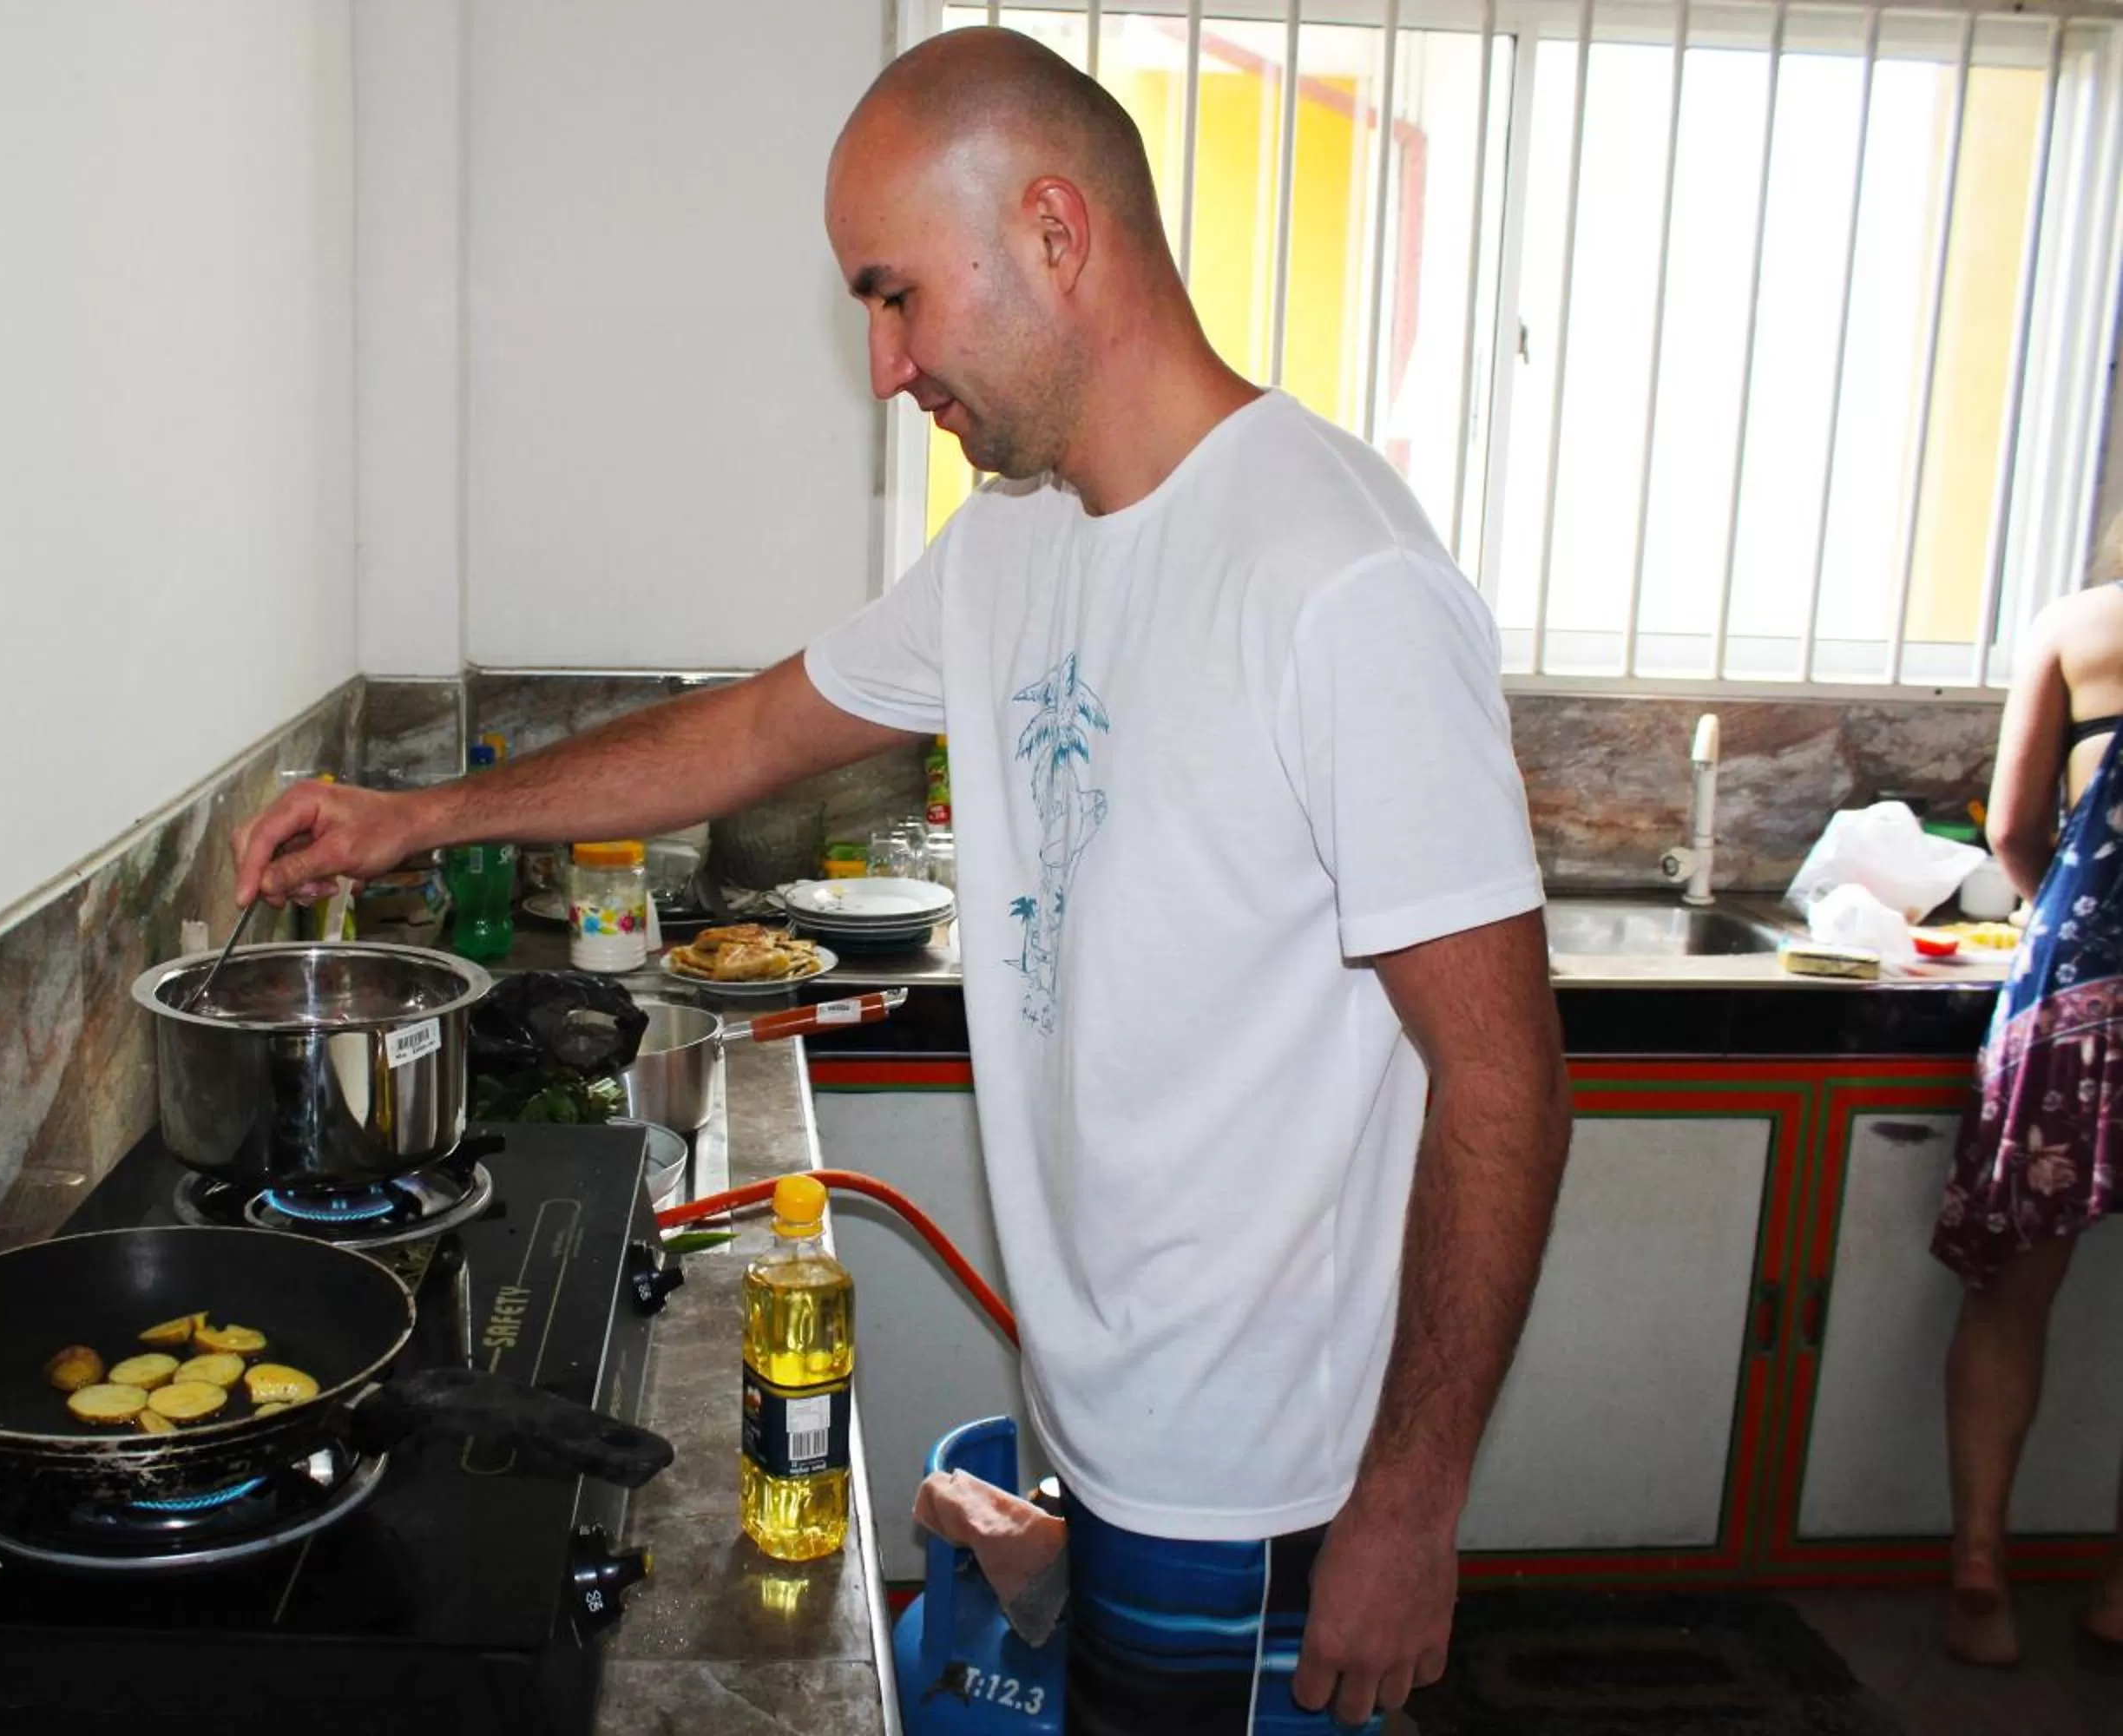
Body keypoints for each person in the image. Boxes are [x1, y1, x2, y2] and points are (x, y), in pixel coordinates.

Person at [233, 29, 1570, 1731]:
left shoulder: (1339, 580)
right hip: (1108, 1422)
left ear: (1054, 234)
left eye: (896, 296)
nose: (882, 366)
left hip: (1264, 1479)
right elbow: (748, 733)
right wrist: (412, 818)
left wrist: (1411, 1502)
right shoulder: (1018, 541)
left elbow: (1507, 1082)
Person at [1934, 508, 2123, 1668]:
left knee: (2012, 1290)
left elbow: (2013, 829)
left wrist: (2070, 916)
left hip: (2081, 996)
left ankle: (1979, 1569)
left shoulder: (2079, 624)